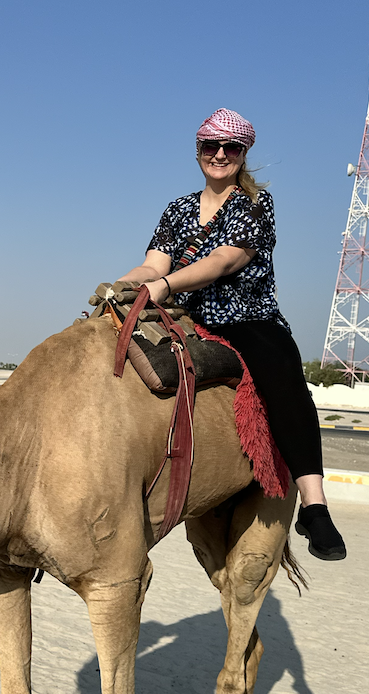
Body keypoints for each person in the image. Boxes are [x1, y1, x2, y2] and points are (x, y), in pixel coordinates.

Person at [116, 108, 346, 560]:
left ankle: (315, 505)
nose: (219, 155)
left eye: (230, 148)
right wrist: (123, 287)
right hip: (187, 317)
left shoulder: (257, 205)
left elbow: (223, 261)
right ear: (198, 151)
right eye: (210, 147)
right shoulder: (178, 209)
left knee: (282, 378)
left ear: (243, 154)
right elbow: (154, 264)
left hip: (247, 320)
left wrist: (161, 287)